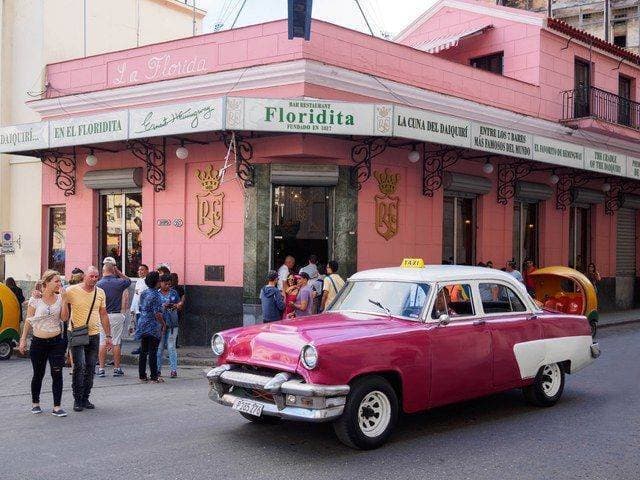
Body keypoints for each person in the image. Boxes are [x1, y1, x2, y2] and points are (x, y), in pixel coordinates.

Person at [63, 266, 112, 412]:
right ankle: (77, 400)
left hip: (94, 334)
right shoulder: (71, 290)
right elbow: (57, 298)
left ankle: (85, 398)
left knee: (91, 367)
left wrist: (108, 335)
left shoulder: (100, 292)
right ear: (85, 276)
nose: (94, 279)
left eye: (97, 277)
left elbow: (103, 314)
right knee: (79, 366)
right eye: (92, 276)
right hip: (76, 333)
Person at [18, 270, 67, 417]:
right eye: (56, 281)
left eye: (60, 281)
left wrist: (64, 300)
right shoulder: (36, 299)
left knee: (57, 373)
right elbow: (28, 320)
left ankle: (57, 407)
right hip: (38, 342)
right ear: (47, 283)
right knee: (38, 373)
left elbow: (64, 318)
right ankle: (35, 403)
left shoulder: (60, 298)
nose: (59, 284)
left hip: (56, 341)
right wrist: (22, 340)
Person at [96, 263, 131, 377]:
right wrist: (119, 272)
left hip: (102, 314)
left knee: (102, 341)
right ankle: (117, 368)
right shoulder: (119, 282)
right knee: (116, 342)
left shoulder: (98, 284)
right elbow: (128, 281)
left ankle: (101, 368)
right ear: (114, 270)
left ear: (103, 271)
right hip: (116, 314)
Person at [135, 271, 165, 383]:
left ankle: (142, 375)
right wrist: (163, 324)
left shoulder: (144, 292)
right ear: (157, 282)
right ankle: (154, 376)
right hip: (152, 325)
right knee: (153, 350)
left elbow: (141, 306)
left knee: (143, 350)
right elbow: (157, 313)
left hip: (142, 322)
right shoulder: (157, 296)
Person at [156, 274, 180, 378]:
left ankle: (173, 370)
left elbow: (178, 304)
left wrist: (176, 305)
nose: (167, 286)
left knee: (171, 347)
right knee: (160, 347)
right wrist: (162, 306)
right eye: (165, 284)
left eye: (169, 285)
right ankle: (157, 370)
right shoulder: (156, 294)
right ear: (160, 283)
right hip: (160, 324)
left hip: (172, 323)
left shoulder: (174, 293)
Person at [129, 264, 150, 355]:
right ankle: (143, 347)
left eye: (142, 270)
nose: (140, 271)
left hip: (143, 310)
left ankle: (145, 348)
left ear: (147, 271)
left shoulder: (147, 282)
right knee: (140, 329)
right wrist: (133, 308)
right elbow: (136, 296)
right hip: (137, 309)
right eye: (139, 270)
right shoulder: (139, 281)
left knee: (144, 329)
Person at [170, 273, 185, 348]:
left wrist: (180, 304)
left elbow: (182, 297)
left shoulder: (179, 288)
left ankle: (174, 343)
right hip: (168, 311)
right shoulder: (167, 287)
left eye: (176, 279)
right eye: (173, 279)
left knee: (175, 327)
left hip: (176, 310)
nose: (176, 280)